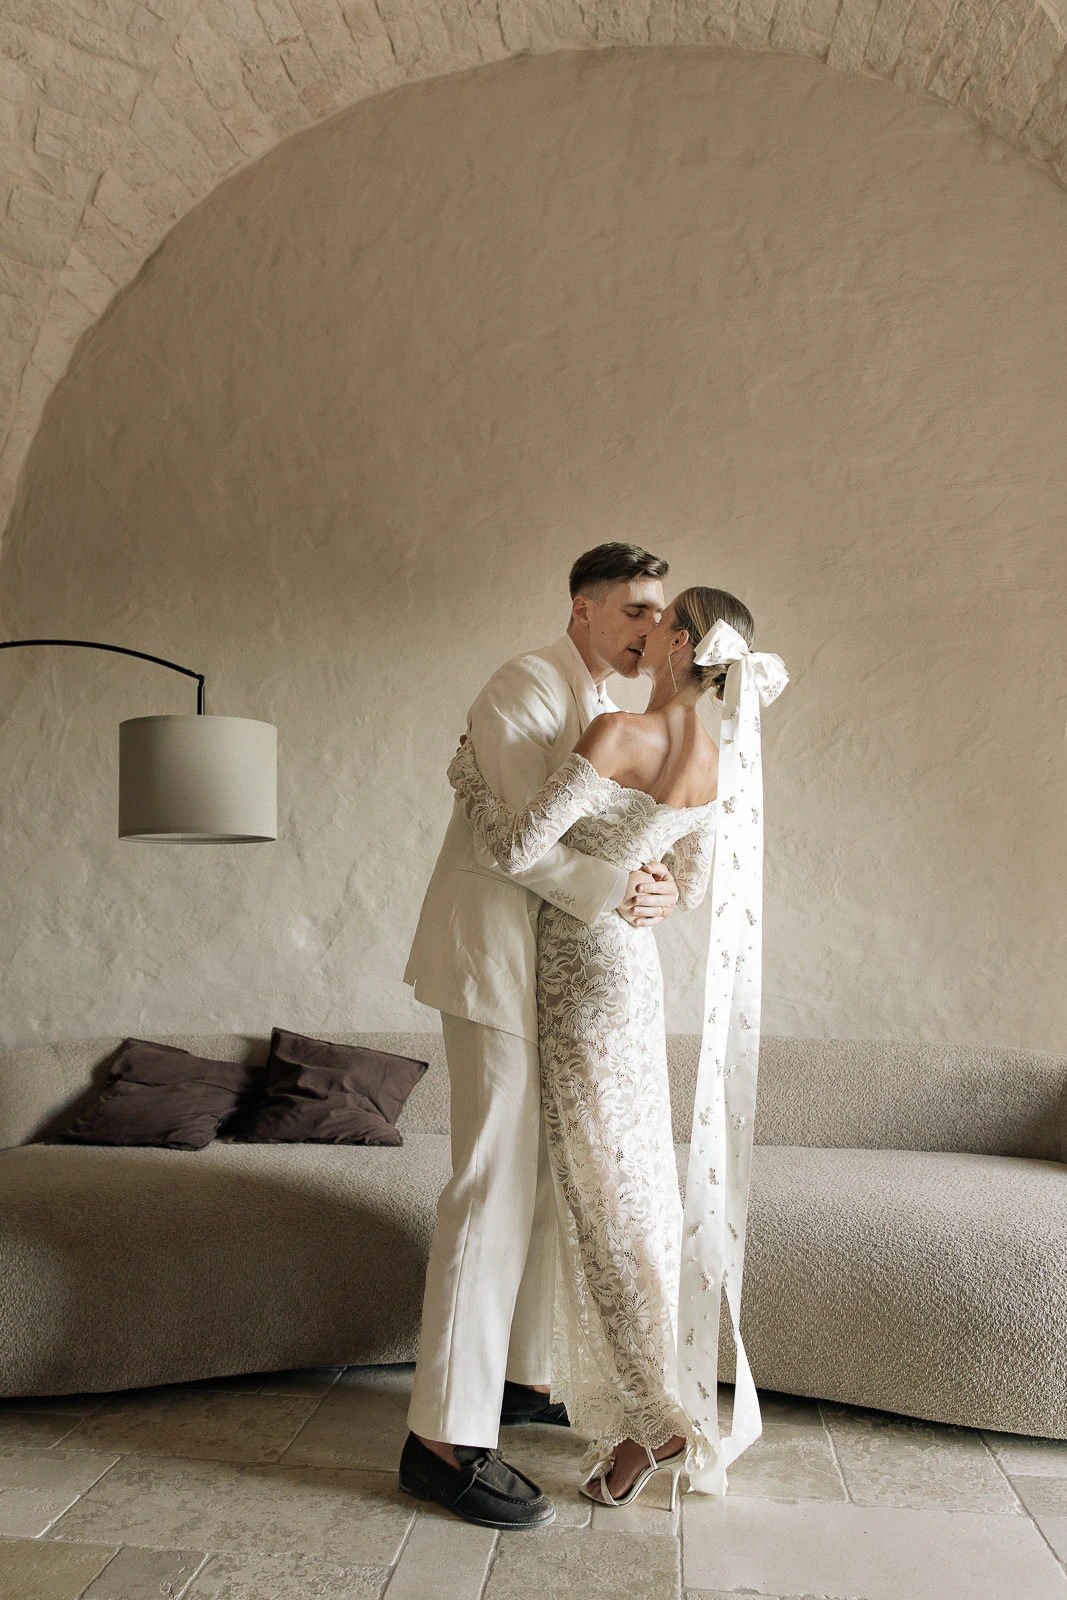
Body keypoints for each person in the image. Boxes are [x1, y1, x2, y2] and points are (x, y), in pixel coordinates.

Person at [440, 585, 759, 1509]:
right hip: (633, 973)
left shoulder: (620, 736)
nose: (648, 629)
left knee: (599, 1196)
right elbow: (684, 885)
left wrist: (467, 779)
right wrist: (652, 892)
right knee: (631, 1186)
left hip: (581, 975)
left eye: (661, 621)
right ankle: (642, 1412)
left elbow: (514, 846)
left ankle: (657, 1422)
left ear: (683, 642)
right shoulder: (719, 760)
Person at [399, 543, 684, 1530]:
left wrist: (659, 885)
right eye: (636, 607)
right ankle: (441, 1439)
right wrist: (618, 889)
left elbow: (624, 837)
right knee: (489, 1185)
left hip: (562, 983)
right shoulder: (523, 683)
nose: (654, 626)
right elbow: (517, 839)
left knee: (549, 1188)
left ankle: (515, 1379)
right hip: (494, 964)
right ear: (583, 608)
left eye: (663, 610)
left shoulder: (625, 713)